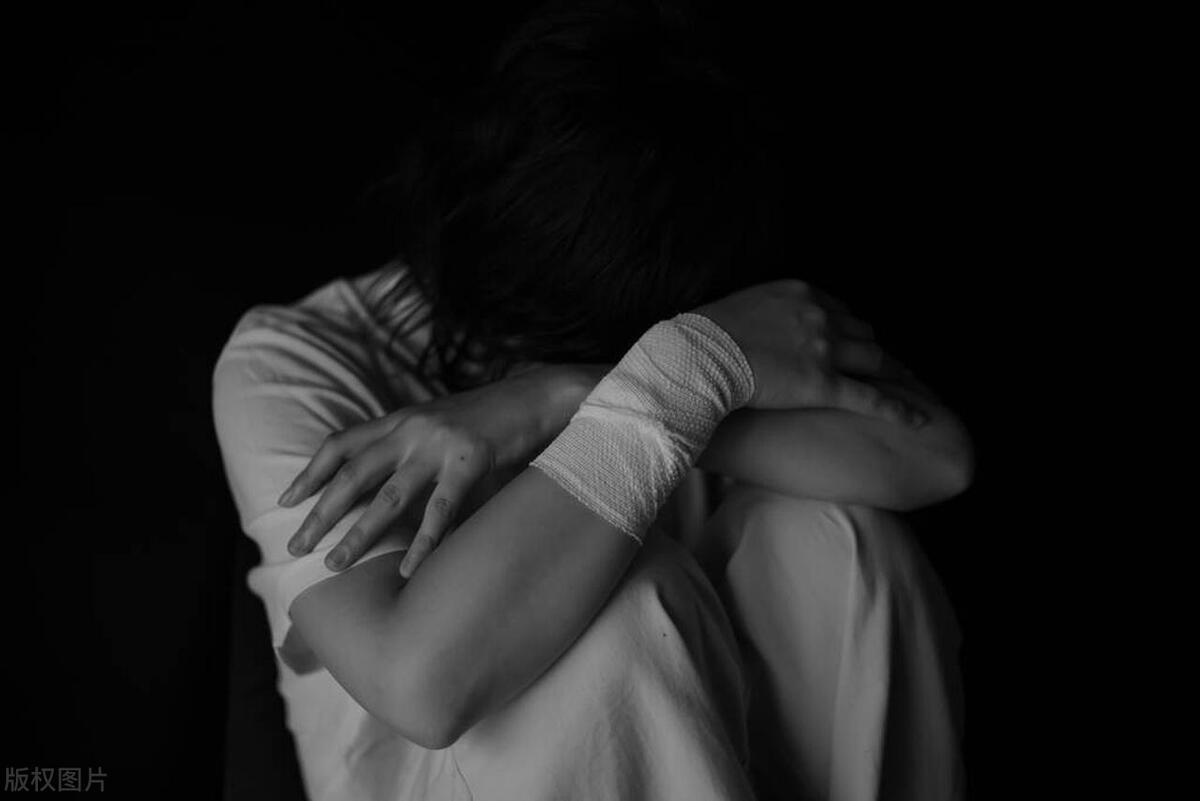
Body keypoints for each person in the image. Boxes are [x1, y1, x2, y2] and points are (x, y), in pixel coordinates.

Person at [212, 1, 973, 799]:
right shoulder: (292, 358)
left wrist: (647, 381)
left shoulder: (683, 282)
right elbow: (420, 685)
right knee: (619, 600)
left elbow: (937, 456)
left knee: (838, 531)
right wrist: (630, 388)